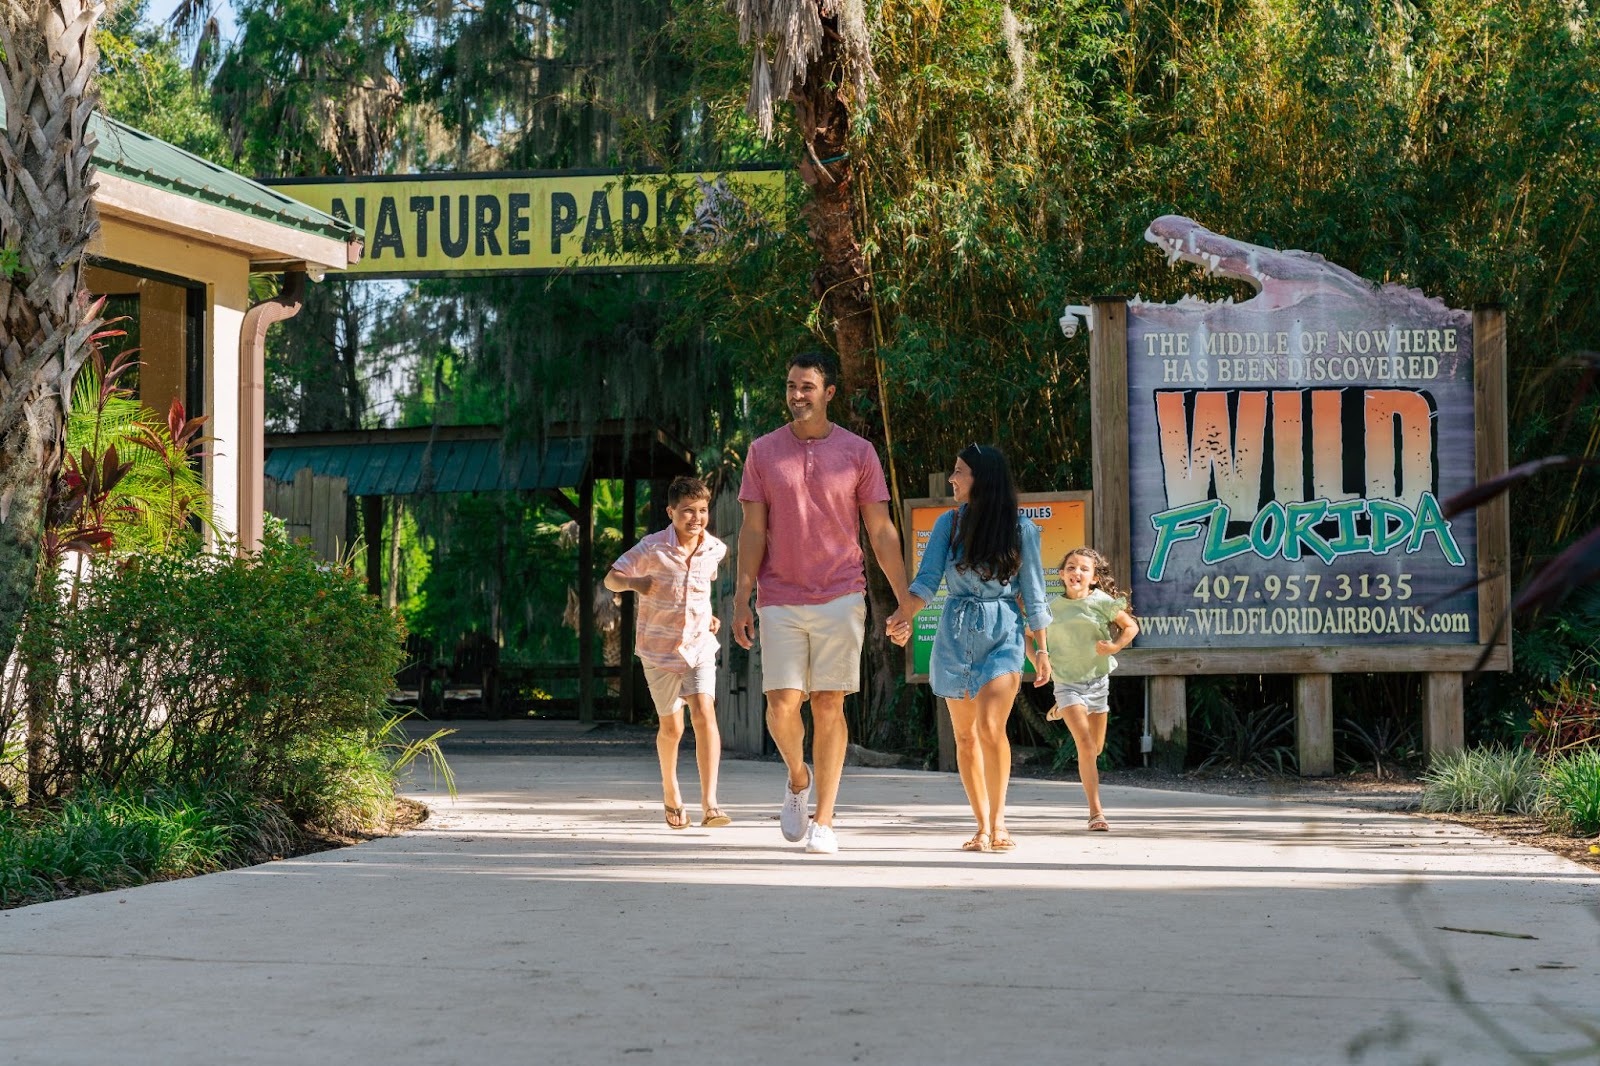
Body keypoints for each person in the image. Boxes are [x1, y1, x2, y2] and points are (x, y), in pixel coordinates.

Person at [732, 351, 913, 855]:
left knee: (830, 704)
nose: (797, 395)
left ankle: (826, 821)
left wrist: (904, 599)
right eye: (791, 385)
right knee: (782, 704)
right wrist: (741, 597)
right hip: (779, 594)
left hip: (840, 592)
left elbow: (880, 530)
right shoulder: (763, 452)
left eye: (807, 386)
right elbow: (752, 530)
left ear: (829, 393)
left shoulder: (859, 452)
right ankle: (797, 777)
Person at [893, 445, 1052, 853]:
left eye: (960, 471)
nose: (952, 478)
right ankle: (981, 825)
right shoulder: (949, 524)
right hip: (955, 634)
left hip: (1003, 634)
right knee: (965, 737)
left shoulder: (1022, 530)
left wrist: (1042, 651)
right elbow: (926, 581)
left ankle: (1000, 823)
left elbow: (1034, 595)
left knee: (989, 728)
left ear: (982, 478)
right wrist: (903, 615)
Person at [606, 476, 731, 831]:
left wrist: (709, 617)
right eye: (688, 511)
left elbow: (697, 591)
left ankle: (710, 804)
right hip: (658, 650)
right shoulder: (651, 547)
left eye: (703, 510)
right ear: (671, 512)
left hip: (699, 646)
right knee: (672, 727)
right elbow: (611, 579)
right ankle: (671, 791)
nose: (696, 518)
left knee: (705, 713)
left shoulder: (715, 549)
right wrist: (634, 583)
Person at [1044, 547, 1139, 832]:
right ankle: (1096, 812)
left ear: (1094, 578)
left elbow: (1130, 627)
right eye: (1071, 567)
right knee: (1084, 745)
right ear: (1062, 575)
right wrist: (1041, 659)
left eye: (1084, 569)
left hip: (1098, 682)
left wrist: (1114, 646)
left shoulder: (1102, 601)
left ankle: (1062, 709)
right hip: (1066, 683)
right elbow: (1028, 635)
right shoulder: (1051, 608)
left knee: (1095, 749)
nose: (1077, 572)